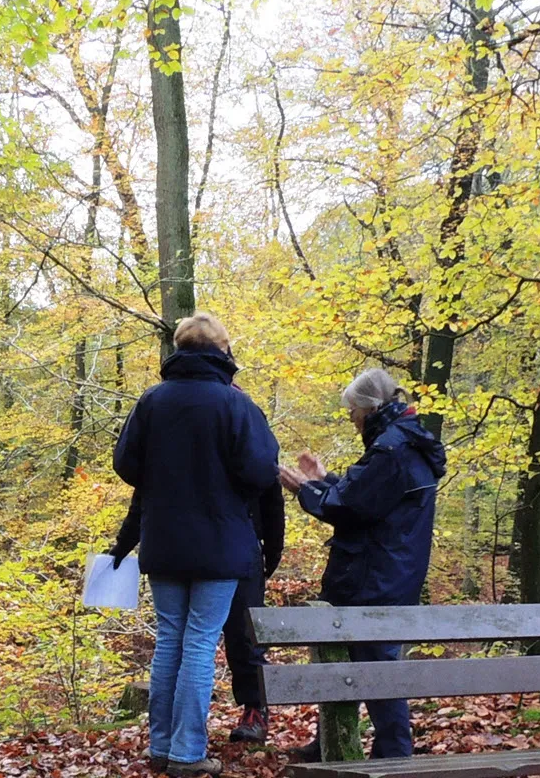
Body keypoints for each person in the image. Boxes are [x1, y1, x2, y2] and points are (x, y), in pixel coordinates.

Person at [109, 313, 280, 778]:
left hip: (163, 540)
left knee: (169, 641)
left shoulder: (152, 401)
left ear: (180, 349)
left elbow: (126, 464)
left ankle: (161, 747)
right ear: (222, 351)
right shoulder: (236, 405)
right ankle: (186, 753)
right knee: (201, 644)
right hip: (220, 545)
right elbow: (263, 472)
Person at [277, 368, 446, 762]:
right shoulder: (403, 442)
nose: (351, 420)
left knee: (377, 669)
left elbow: (350, 507)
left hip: (374, 577)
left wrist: (306, 489)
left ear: (369, 409)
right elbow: (369, 496)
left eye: (352, 411)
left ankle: (394, 756)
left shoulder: (391, 449)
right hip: (391, 572)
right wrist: (325, 479)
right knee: (347, 663)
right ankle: (331, 743)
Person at [223, 481, 285, 745]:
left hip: (244, 547)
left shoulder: (255, 445)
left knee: (245, 634)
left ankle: (255, 711)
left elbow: (272, 502)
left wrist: (270, 554)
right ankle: (181, 723)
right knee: (185, 639)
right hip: (201, 542)